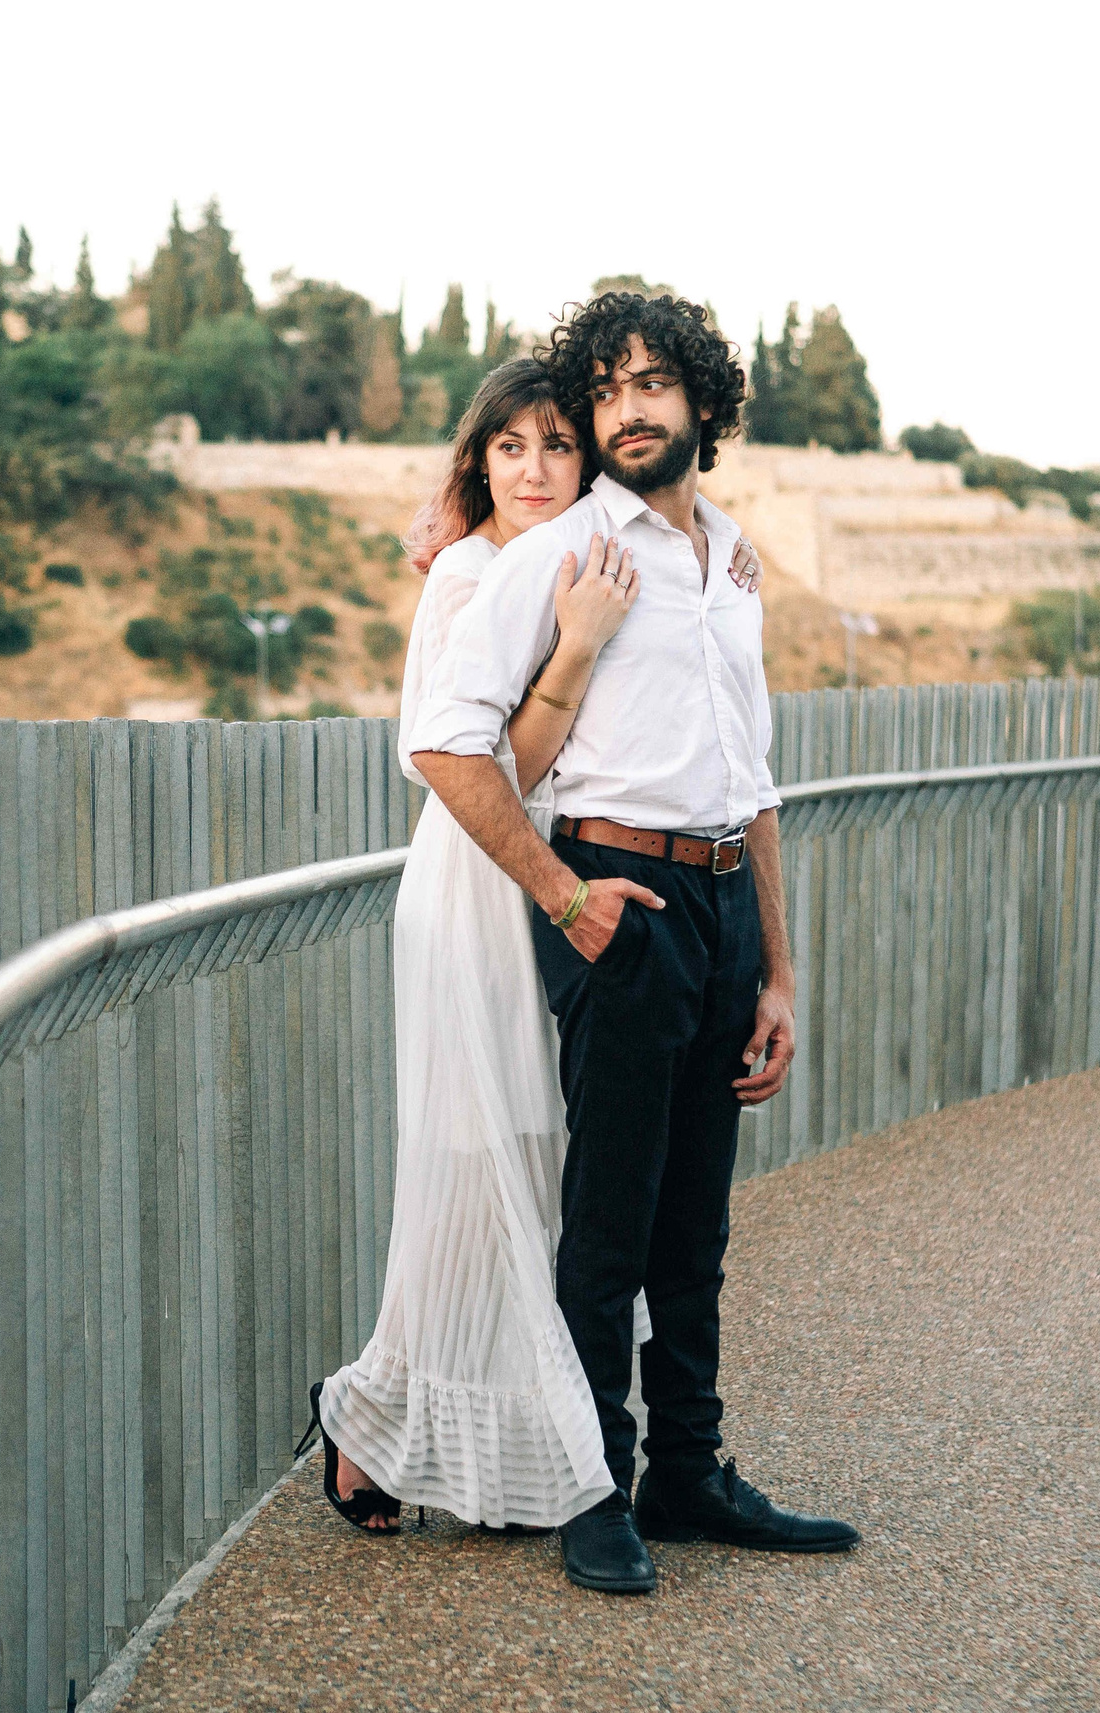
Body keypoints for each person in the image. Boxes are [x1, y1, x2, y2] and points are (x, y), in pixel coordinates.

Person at [406, 293, 861, 1593]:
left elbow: (756, 780)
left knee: (693, 1228)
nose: (626, 412)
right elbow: (450, 742)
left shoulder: (732, 560)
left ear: (704, 404)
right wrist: (565, 896)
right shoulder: (566, 552)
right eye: (605, 392)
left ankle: (688, 1472)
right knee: (607, 1227)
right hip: (619, 898)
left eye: (652, 384)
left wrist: (778, 968)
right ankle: (591, 1484)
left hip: (721, 911)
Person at [298, 358, 762, 1536]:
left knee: (543, 1179)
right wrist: (581, 641)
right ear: (479, 465)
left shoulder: (598, 556)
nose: (538, 467)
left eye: (559, 444)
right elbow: (493, 762)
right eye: (509, 448)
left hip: (564, 882)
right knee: (479, 1167)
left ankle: (511, 1445)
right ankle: (378, 1422)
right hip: (488, 885)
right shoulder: (471, 573)